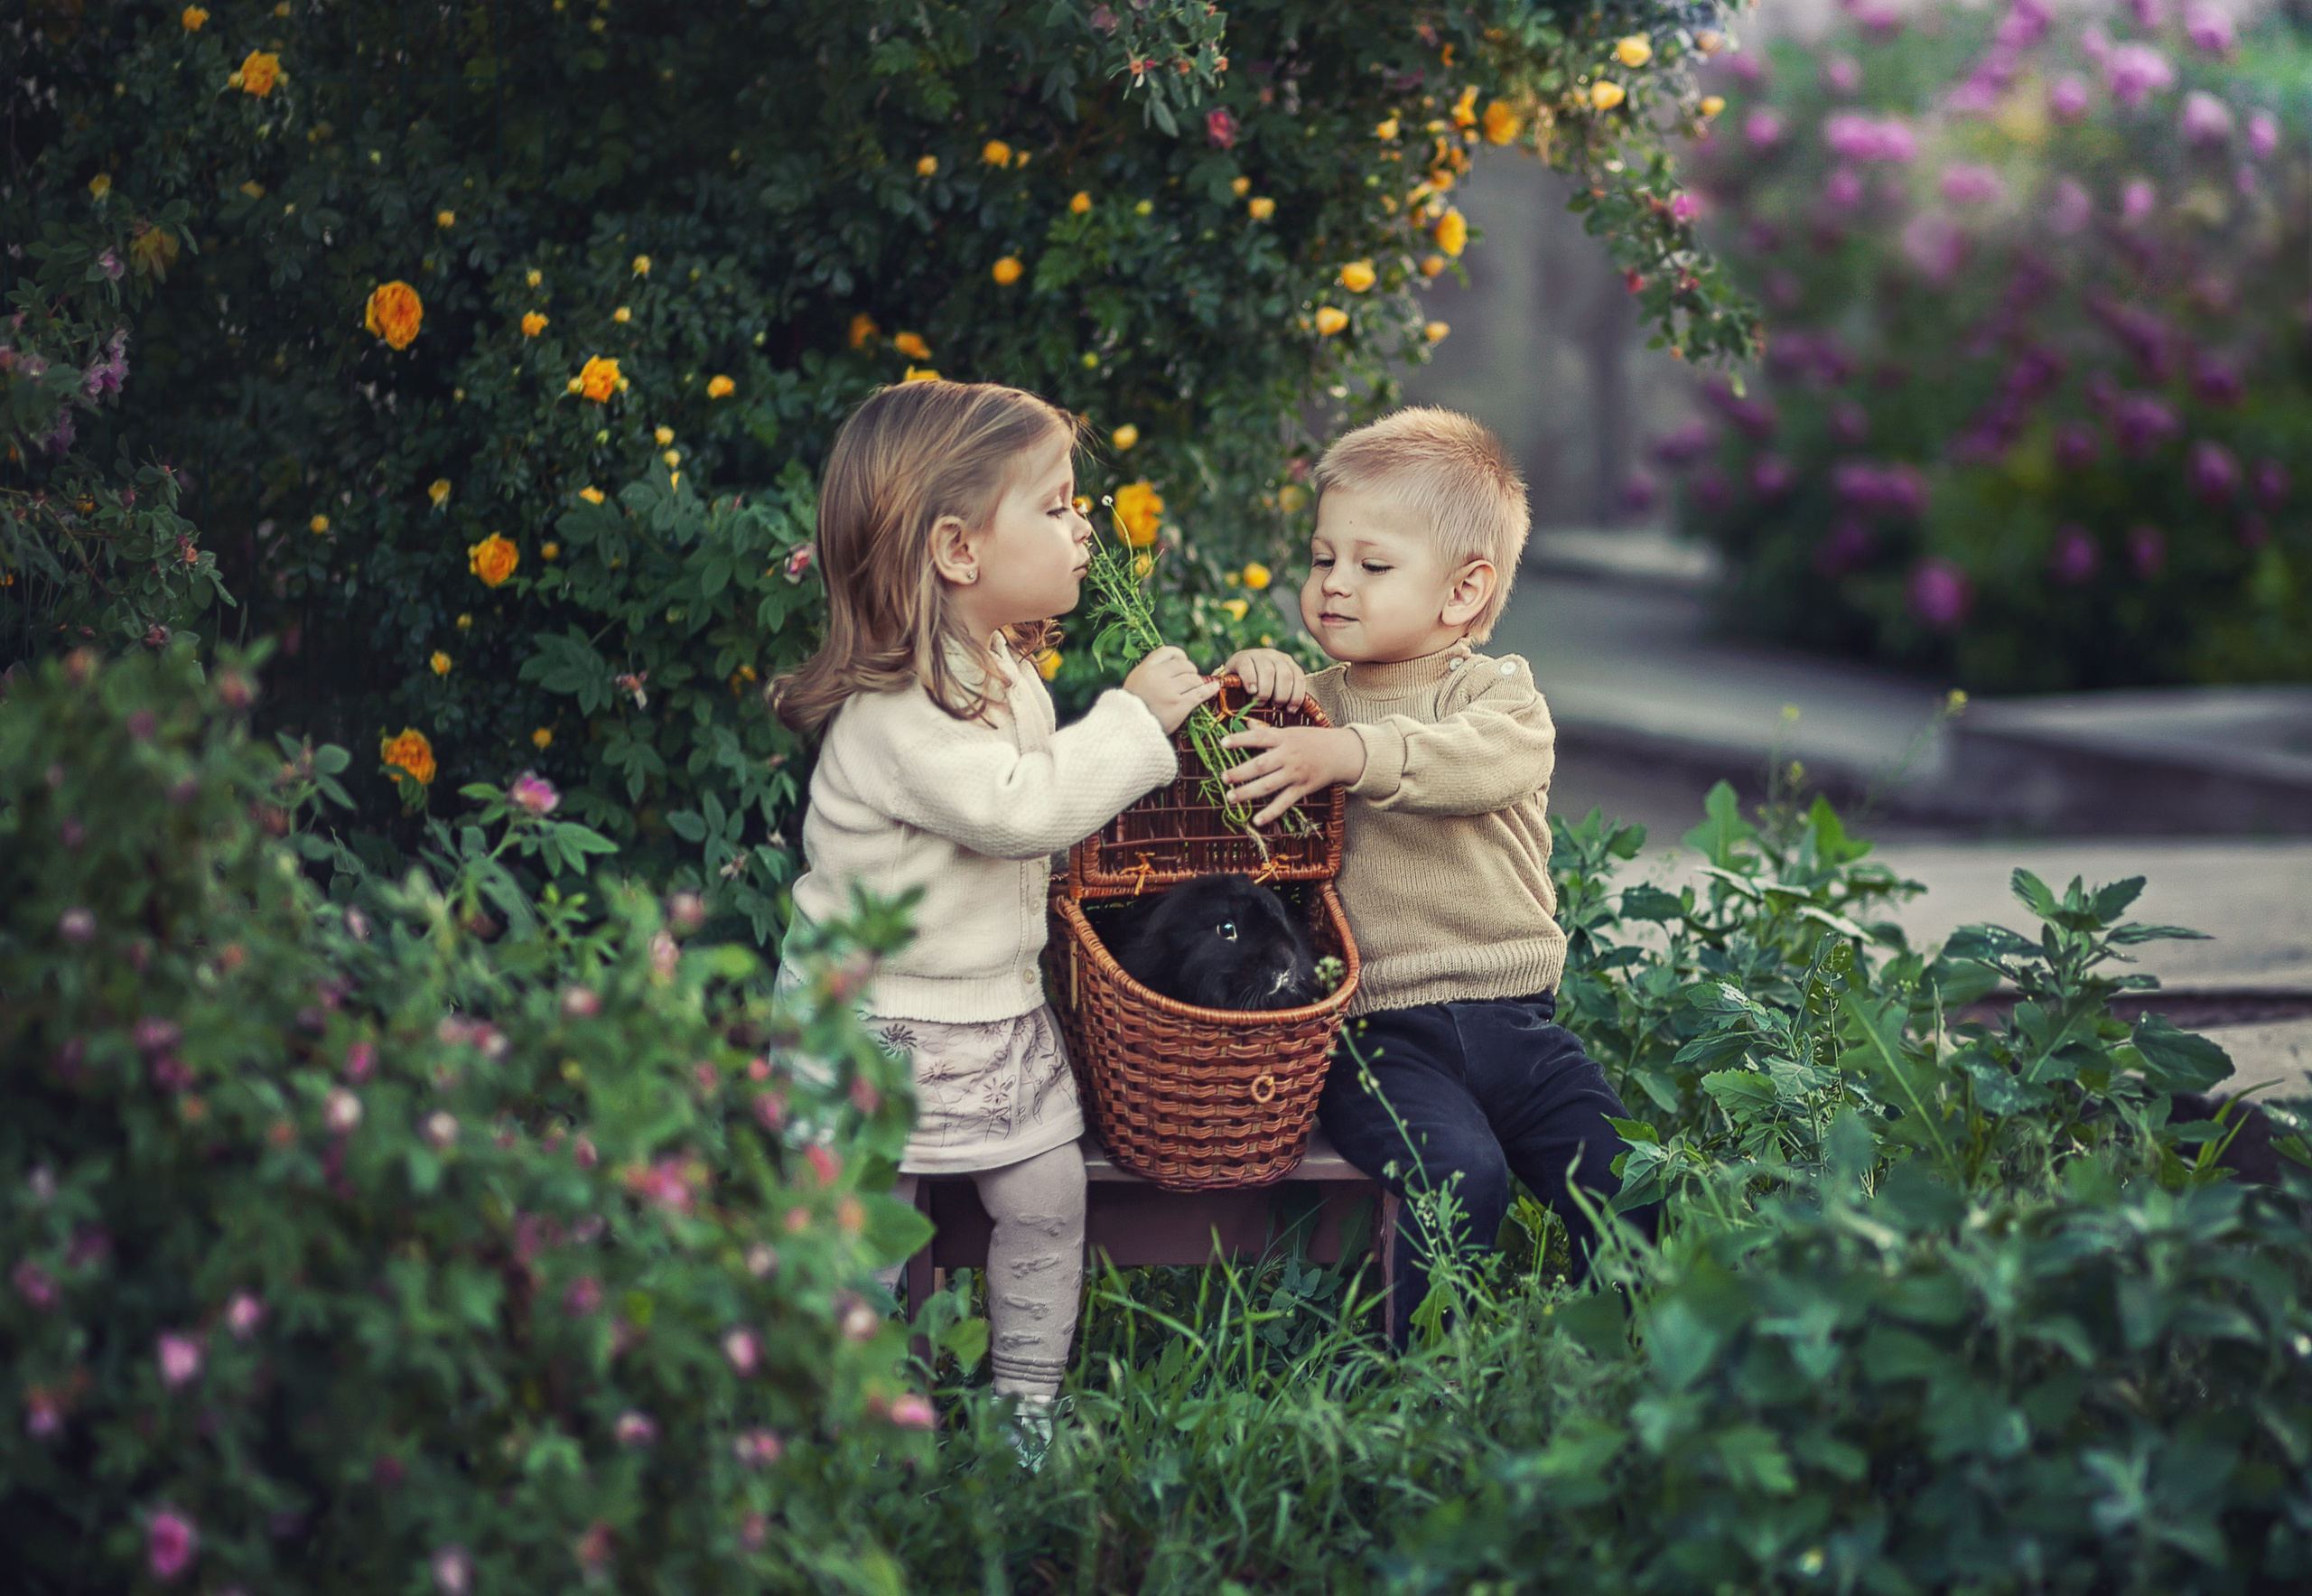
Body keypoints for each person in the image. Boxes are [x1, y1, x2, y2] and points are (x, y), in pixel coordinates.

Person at [769, 379, 1218, 1433]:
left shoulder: (1002, 673)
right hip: (877, 1025)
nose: (1083, 528)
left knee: (1048, 1197)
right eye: (1057, 507)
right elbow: (1018, 811)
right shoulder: (894, 713)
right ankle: (859, 1427)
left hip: (987, 1012)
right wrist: (1132, 725)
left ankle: (1025, 1413)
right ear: (957, 553)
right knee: (862, 1235)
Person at [1213, 406, 1653, 1345]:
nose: (1334, 584)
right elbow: (1218, 783)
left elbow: (1481, 762)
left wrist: (1349, 758)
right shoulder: (1308, 707)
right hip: (1377, 1036)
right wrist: (1246, 683)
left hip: (1515, 1023)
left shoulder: (1495, 696)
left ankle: (1632, 1351)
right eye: (1323, 557)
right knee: (1458, 1173)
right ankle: (1416, 1371)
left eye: (1372, 566)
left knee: (1626, 1176)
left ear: (1462, 594)